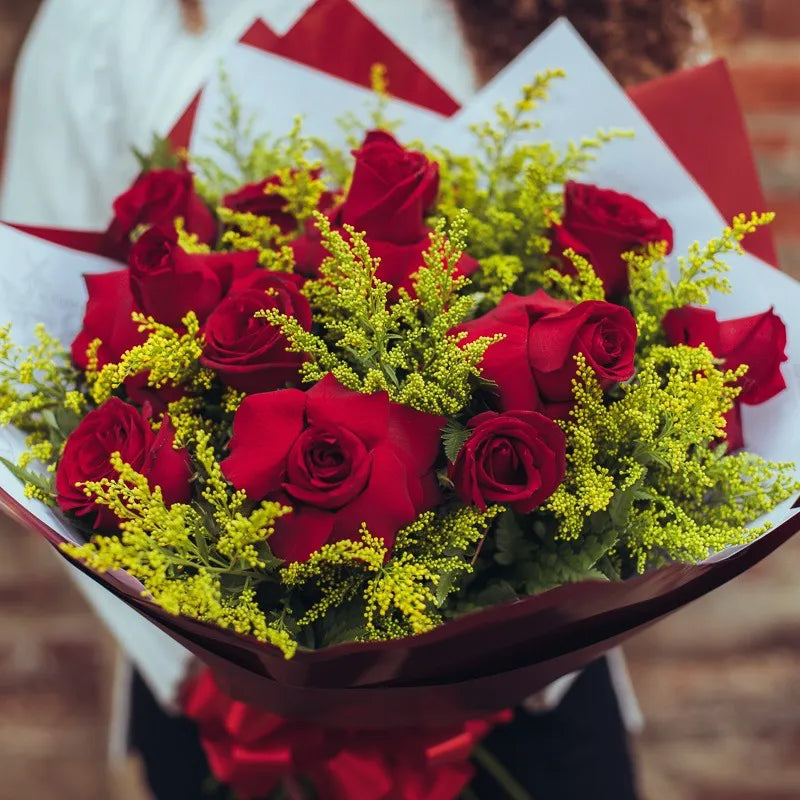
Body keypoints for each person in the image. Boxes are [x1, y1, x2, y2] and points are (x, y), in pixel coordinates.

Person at [0, 1, 717, 798]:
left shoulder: (603, 13)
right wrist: (228, 680)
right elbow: (40, 348)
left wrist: (501, 674)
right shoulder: (107, 20)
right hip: (229, 722)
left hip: (529, 710)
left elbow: (667, 312)